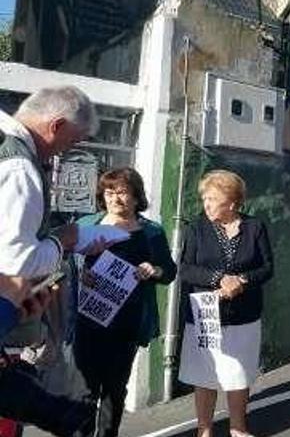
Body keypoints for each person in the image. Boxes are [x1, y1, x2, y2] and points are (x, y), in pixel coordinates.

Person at [0, 87, 100, 437]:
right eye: (72, 142)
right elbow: (18, 260)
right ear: (56, 125)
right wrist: (64, 240)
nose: (67, 152)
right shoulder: (18, 166)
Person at [71, 168, 177, 436]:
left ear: (136, 197)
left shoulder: (151, 232)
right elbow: (65, 262)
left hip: (128, 324)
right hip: (87, 321)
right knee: (83, 390)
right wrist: (81, 273)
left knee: (114, 391)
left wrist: (154, 270)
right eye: (109, 192)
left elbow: (169, 271)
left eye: (122, 192)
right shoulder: (86, 225)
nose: (115, 199)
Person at [178, 170, 274, 437]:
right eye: (204, 198)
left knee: (238, 374)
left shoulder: (255, 227)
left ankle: (238, 427)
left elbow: (266, 268)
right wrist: (220, 279)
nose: (206, 204)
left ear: (232, 202)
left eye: (212, 198)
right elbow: (186, 269)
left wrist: (241, 281)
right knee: (204, 374)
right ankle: (204, 429)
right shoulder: (196, 228)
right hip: (206, 316)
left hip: (243, 317)